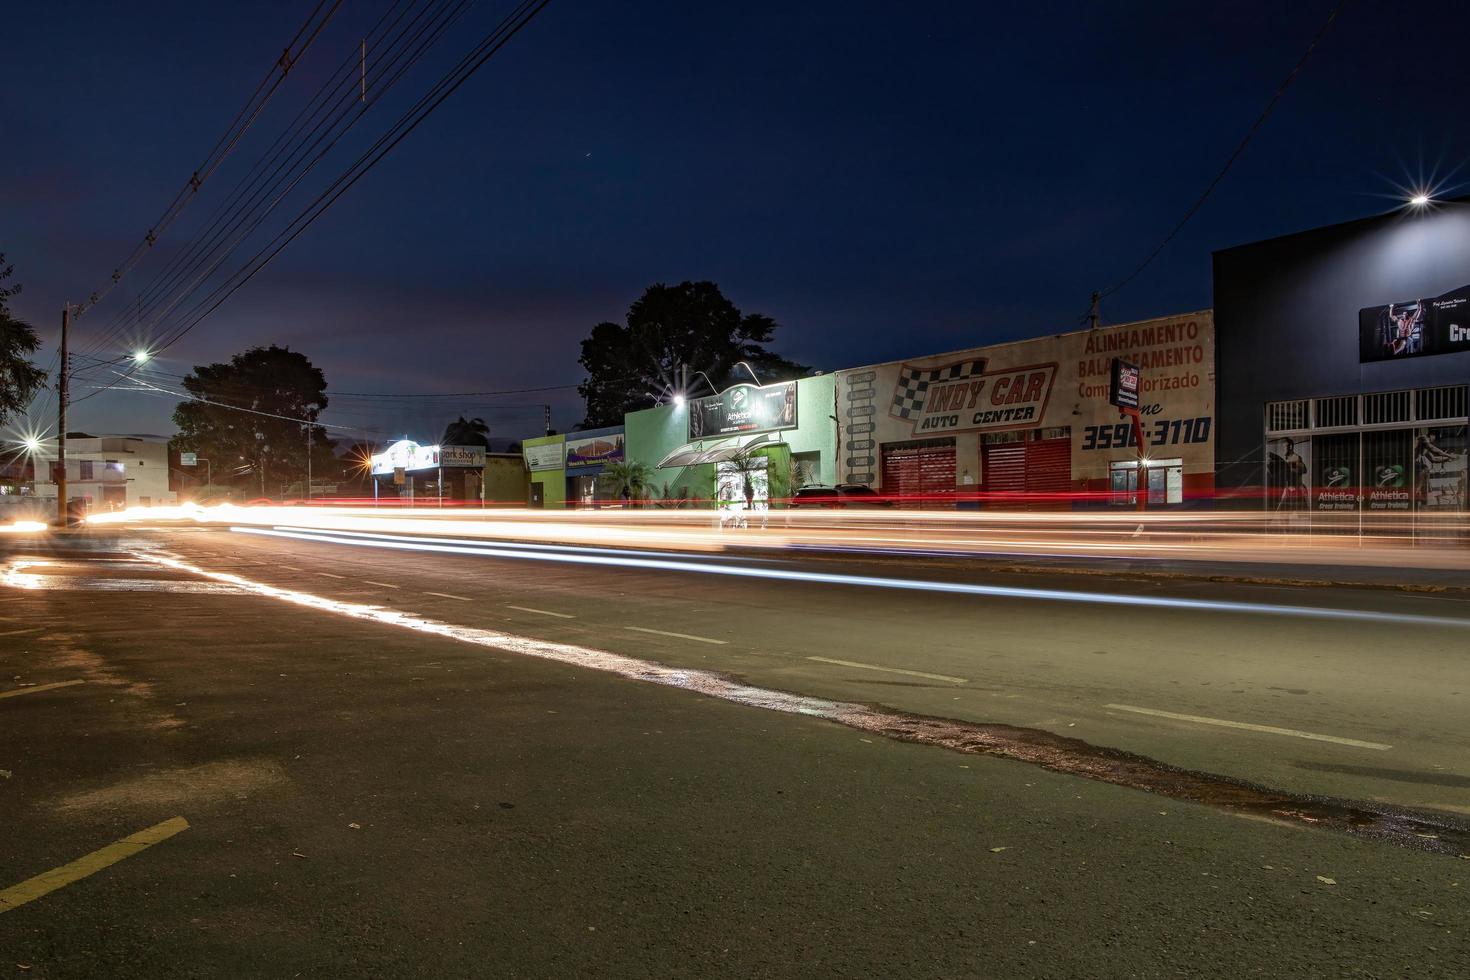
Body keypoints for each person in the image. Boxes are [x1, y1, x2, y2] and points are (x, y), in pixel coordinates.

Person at [1414, 431, 1456, 508]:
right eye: (1435, 437)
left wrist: (1446, 459)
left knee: (1424, 477)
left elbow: (1433, 459)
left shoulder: (1425, 448)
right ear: (1432, 435)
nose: (1435, 439)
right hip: (1415, 466)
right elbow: (1434, 449)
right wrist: (1449, 455)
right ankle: (1417, 492)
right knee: (1424, 470)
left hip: (1419, 469)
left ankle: (1419, 499)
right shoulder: (1424, 439)